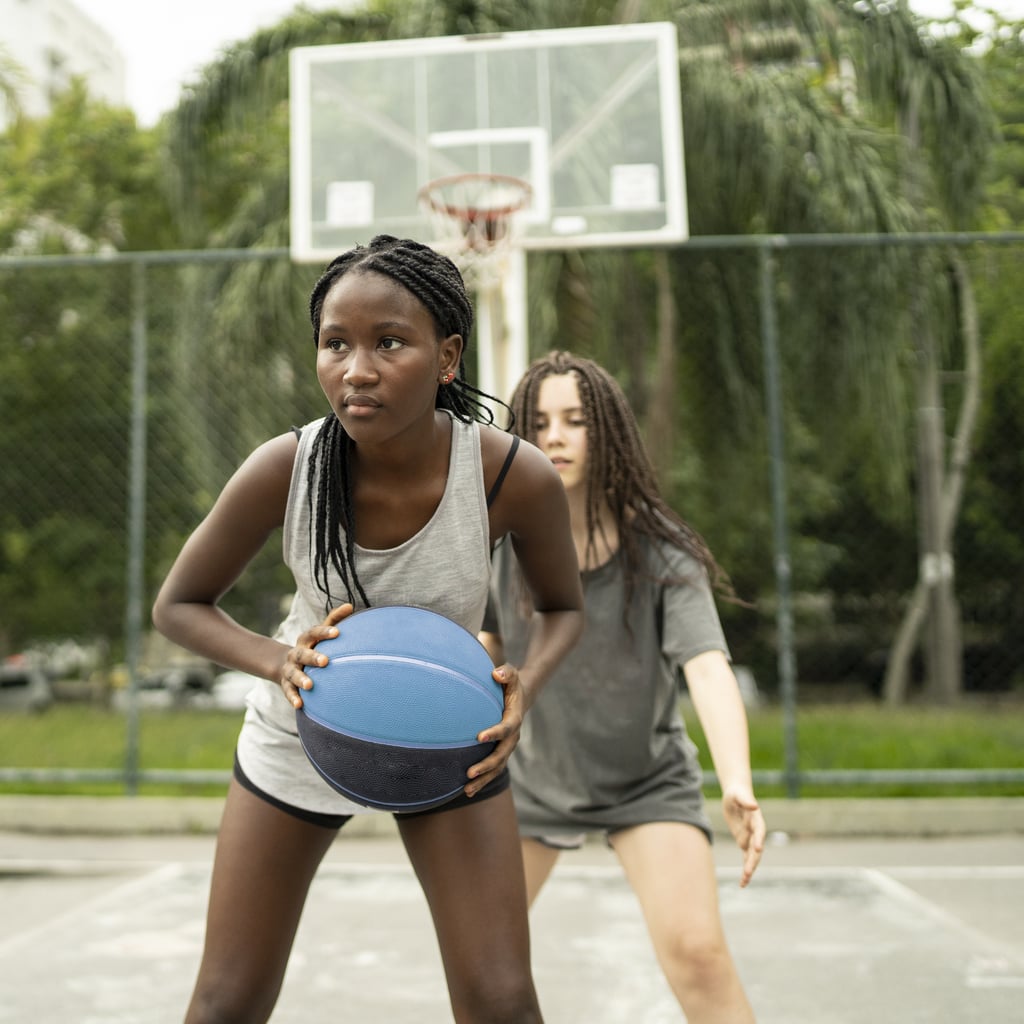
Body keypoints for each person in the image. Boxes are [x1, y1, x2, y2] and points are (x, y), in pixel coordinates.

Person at [152, 236, 584, 1024]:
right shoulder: (285, 468)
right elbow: (179, 605)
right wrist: (280, 659)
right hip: (300, 727)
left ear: (447, 356)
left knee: (502, 1000)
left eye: (389, 342)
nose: (356, 368)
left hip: (450, 732)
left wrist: (525, 683)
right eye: (335, 344)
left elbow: (563, 609)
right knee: (226, 1002)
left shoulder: (507, 475)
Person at [479, 351, 766, 1024]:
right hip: (528, 782)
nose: (555, 435)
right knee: (484, 969)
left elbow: (707, 666)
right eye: (540, 421)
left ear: (606, 432)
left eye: (576, 420)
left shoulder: (663, 552)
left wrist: (737, 781)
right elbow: (478, 659)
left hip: (646, 781)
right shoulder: (495, 549)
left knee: (697, 952)